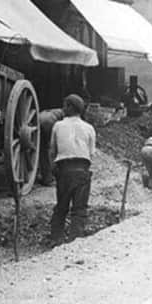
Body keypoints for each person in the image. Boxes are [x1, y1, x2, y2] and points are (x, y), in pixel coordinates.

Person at [49, 94, 96, 246]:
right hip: (82, 170)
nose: (63, 108)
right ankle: (75, 242)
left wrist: (54, 170)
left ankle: (56, 240)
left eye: (65, 105)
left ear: (70, 107)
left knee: (61, 206)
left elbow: (52, 151)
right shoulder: (89, 128)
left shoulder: (58, 126)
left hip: (64, 170)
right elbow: (91, 154)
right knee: (80, 209)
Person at [38, 108, 64, 186]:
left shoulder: (56, 112)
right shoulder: (65, 116)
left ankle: (44, 175)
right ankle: (48, 178)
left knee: (42, 150)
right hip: (48, 122)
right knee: (46, 151)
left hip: (39, 118)